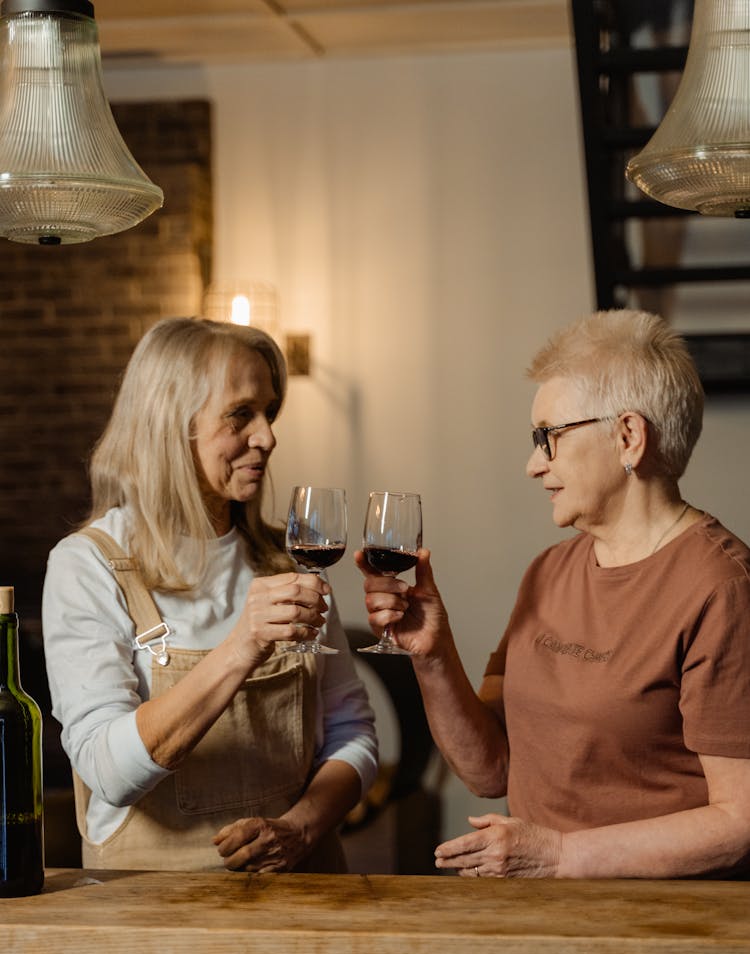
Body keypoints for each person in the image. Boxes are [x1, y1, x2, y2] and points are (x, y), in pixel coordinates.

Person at [356, 308, 750, 879]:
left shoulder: (723, 589)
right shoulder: (549, 571)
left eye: (549, 438)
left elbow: (739, 820)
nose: (533, 465)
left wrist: (560, 854)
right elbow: (491, 771)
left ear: (628, 437)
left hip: (666, 925)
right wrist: (434, 656)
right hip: (542, 910)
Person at [42, 317, 377, 873]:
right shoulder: (88, 565)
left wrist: (302, 827)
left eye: (269, 412)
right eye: (240, 414)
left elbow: (353, 733)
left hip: (304, 891)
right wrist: (242, 645)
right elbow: (108, 773)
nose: (268, 436)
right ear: (171, 425)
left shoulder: (287, 560)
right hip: (151, 912)